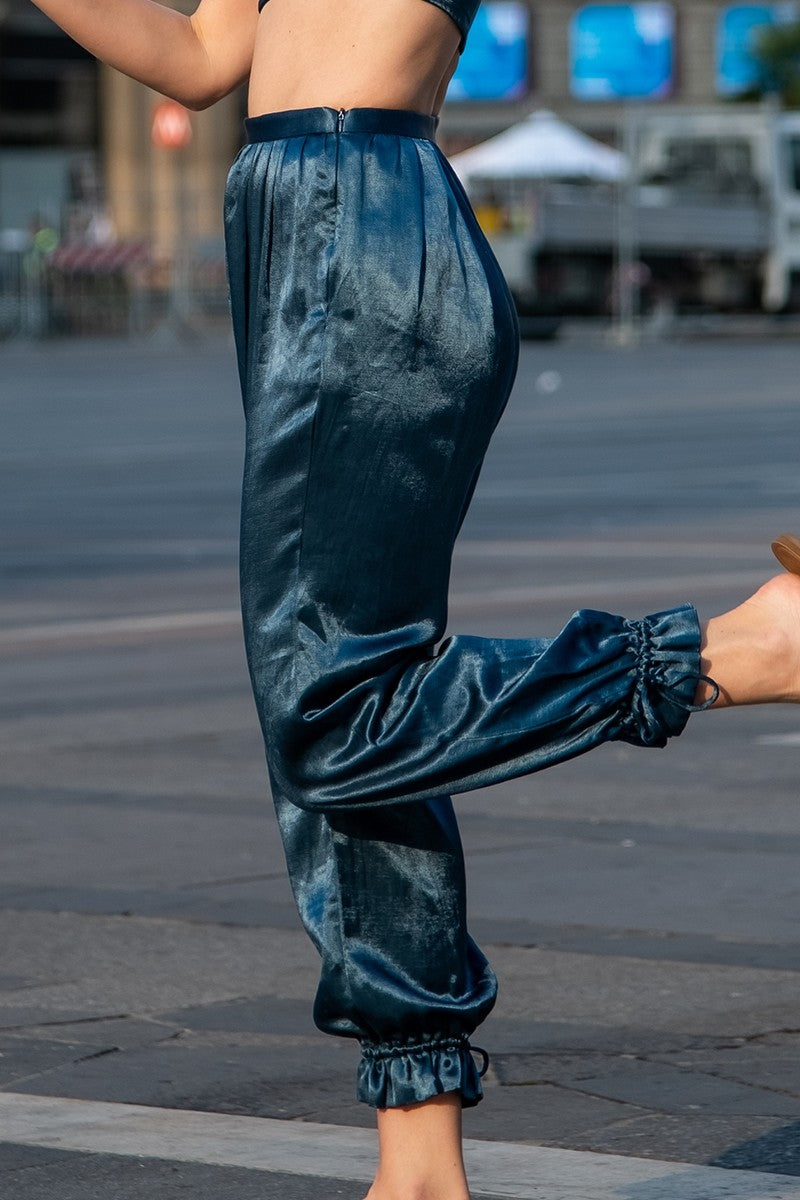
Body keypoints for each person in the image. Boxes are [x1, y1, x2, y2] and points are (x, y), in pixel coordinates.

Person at [28, 0, 800, 1195]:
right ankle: (419, 1152)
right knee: (354, 704)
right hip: (305, 228)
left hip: (360, 224)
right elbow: (197, 61)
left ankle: (725, 650)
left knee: (335, 707)